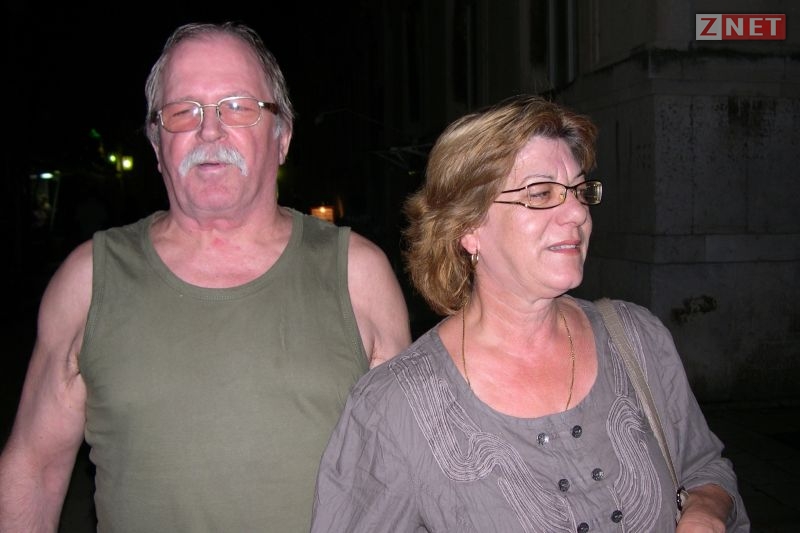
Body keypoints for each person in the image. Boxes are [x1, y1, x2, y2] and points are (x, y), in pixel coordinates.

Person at [0, 21, 411, 532]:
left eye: (237, 107)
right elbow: (33, 470)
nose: (209, 131)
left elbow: (404, 477)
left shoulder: (358, 275)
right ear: (156, 144)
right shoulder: (88, 281)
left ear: (282, 136)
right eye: (182, 111)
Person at [311, 95, 749, 532]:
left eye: (579, 190)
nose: (577, 213)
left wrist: (706, 509)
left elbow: (704, 465)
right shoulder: (393, 409)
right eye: (540, 194)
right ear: (468, 227)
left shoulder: (637, 339)